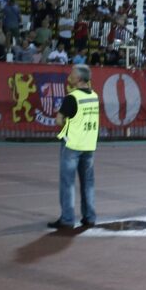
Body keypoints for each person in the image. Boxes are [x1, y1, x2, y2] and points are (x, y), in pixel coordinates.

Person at [48, 65, 101, 229]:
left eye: (72, 74)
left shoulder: (72, 97)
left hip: (72, 144)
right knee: (88, 182)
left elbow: (59, 120)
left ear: (78, 79)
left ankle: (67, 219)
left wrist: (67, 124)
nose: (69, 76)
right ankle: (90, 216)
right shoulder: (94, 96)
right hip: (89, 144)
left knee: (68, 182)